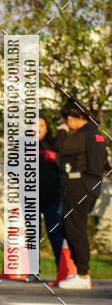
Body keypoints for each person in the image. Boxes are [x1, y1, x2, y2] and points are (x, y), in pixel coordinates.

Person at [55, 98, 107, 290]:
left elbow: (60, 147)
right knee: (72, 227)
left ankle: (83, 275)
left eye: (66, 119)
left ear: (71, 117)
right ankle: (82, 273)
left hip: (80, 184)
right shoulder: (97, 133)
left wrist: (62, 131)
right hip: (91, 184)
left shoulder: (84, 134)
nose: (67, 123)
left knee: (75, 228)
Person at [38, 115, 64, 267]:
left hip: (53, 197)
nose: (38, 129)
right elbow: (12, 166)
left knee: (55, 233)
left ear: (47, 128)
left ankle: (62, 269)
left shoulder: (54, 144)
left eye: (41, 125)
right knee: (33, 235)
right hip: (31, 198)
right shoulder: (22, 144)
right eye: (34, 125)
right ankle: (33, 271)